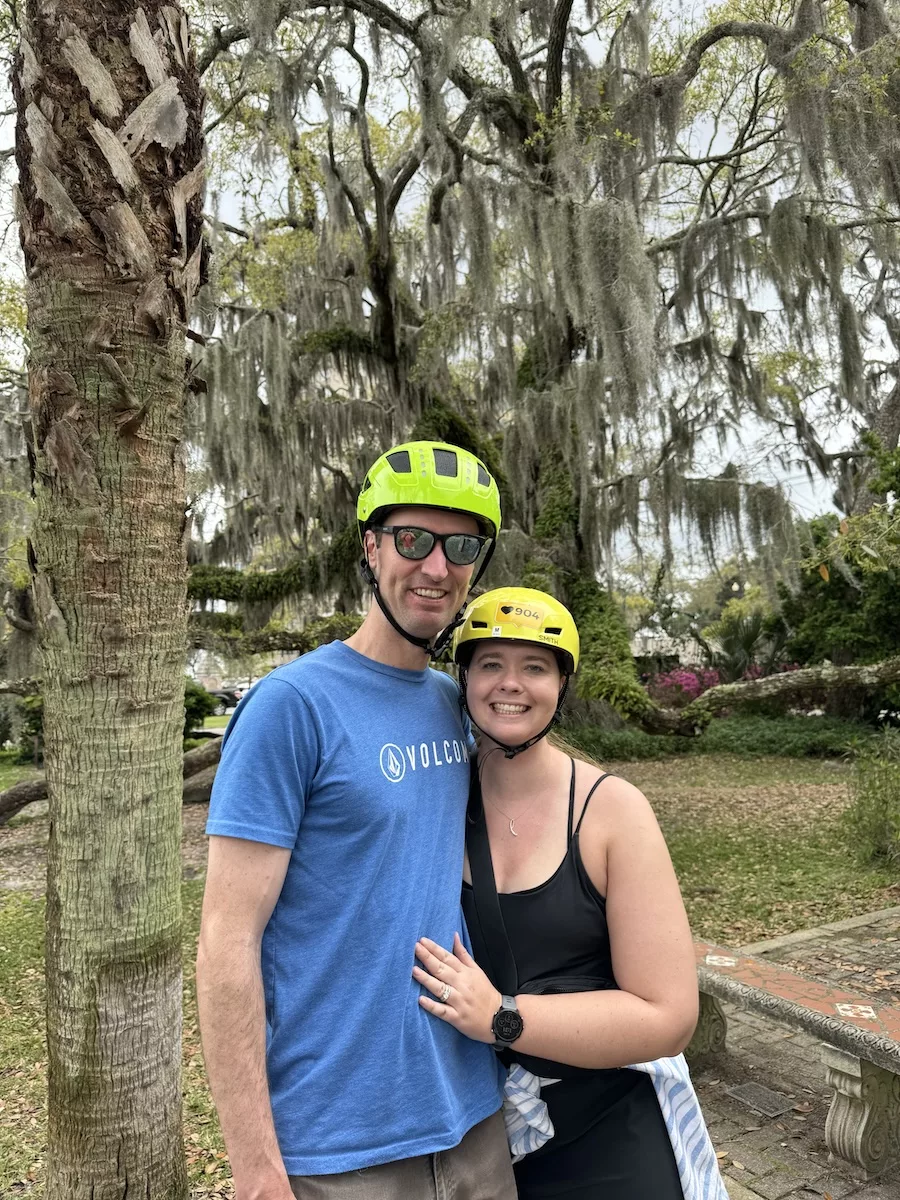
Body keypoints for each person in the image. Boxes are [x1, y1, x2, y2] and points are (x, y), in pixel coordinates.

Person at [196, 442, 517, 1200]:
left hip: (472, 1118)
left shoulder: (455, 702)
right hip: (339, 1146)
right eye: (413, 540)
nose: (436, 567)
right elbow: (225, 939)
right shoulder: (291, 707)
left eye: (461, 546)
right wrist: (255, 1168)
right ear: (370, 548)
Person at [413, 587, 727, 1200]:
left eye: (534, 666)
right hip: (479, 1140)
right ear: (464, 679)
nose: (511, 684)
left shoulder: (611, 812)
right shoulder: (436, 798)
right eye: (490, 664)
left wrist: (500, 1018)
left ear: (561, 686)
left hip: (608, 1125)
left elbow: (668, 1016)